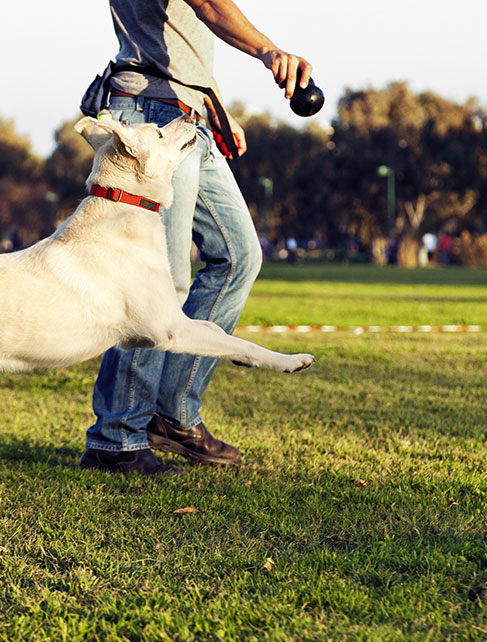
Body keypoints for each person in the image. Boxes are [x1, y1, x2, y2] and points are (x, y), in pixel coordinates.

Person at [79, 0, 314, 476]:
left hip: (188, 116)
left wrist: (214, 106)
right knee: (158, 287)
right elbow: (208, 5)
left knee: (238, 256)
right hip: (152, 117)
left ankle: (172, 415)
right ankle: (117, 437)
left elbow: (179, 39)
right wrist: (269, 52)